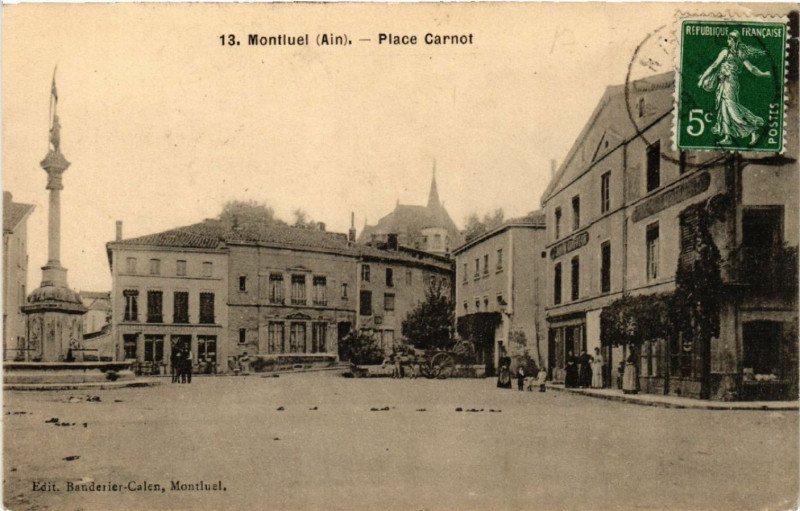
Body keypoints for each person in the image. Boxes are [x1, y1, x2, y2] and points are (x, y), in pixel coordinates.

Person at [697, 30, 771, 146]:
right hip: (723, 82)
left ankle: (753, 130)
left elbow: (750, 68)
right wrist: (763, 74)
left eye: (729, 39)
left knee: (731, 107)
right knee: (723, 108)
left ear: (733, 40)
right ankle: (727, 136)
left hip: (730, 82)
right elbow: (750, 68)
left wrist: (763, 74)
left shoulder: (732, 53)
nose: (727, 41)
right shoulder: (735, 53)